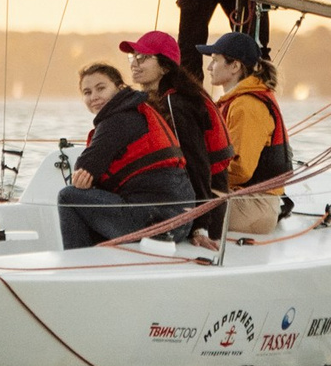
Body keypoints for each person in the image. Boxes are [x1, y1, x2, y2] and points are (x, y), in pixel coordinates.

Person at [56, 63, 196, 250]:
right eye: (87, 92)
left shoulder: (118, 119)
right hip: (178, 221)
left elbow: (84, 169)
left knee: (68, 196)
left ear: (119, 87)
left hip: (155, 222)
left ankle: (78, 265)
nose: (94, 97)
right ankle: (97, 257)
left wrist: (86, 177)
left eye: (101, 88)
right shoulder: (135, 110)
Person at [121, 28, 230, 246]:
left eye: (142, 58)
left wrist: (201, 226)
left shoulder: (176, 104)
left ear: (164, 66)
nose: (134, 64)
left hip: (204, 207)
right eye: (133, 57)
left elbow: (198, 165)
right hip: (186, 199)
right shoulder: (162, 98)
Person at [201, 30, 290, 236]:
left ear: (234, 66)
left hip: (254, 207)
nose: (209, 67)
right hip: (247, 200)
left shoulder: (247, 106)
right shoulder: (237, 101)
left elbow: (241, 169)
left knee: (173, 205)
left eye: (215, 60)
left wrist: (197, 174)